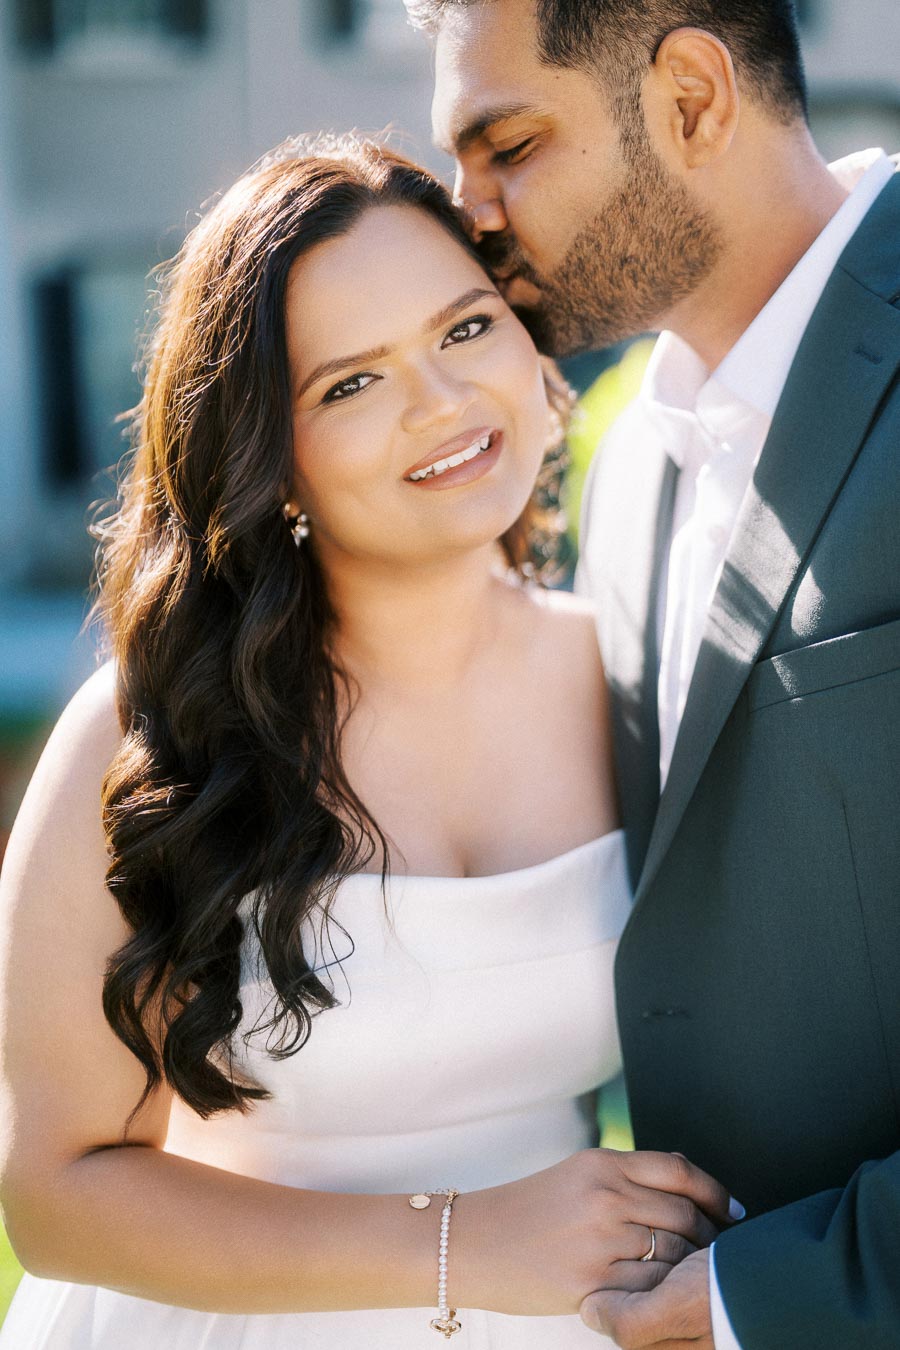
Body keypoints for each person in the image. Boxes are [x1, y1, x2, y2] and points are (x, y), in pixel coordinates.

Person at [0, 136, 739, 1349]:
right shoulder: (150, 734)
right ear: (268, 457)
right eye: (351, 383)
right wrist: (465, 1243)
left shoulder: (634, 680)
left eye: (464, 329)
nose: (444, 405)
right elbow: (57, 1197)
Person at [410, 0, 900, 1344]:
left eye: (506, 144)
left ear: (690, 97)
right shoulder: (625, 463)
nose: (471, 212)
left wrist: (768, 1292)